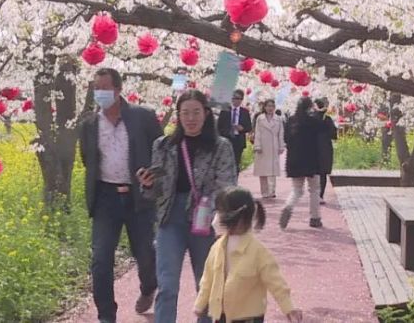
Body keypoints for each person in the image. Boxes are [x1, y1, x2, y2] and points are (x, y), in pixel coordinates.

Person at [137, 90, 238, 323]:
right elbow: (156, 191)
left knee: (206, 285)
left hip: (206, 219)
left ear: (206, 114)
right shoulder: (163, 145)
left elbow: (227, 185)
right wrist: (148, 184)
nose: (190, 118)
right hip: (170, 219)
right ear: (178, 116)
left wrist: (209, 207)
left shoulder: (220, 146)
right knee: (167, 284)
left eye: (196, 112)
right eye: (185, 113)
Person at [79, 68, 161, 323]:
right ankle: (106, 316)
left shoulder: (142, 117)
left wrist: (151, 177)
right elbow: (88, 160)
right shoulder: (89, 125)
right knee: (101, 258)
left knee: (145, 254)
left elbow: (161, 152)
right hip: (106, 197)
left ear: (118, 89)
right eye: (96, 88)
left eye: (105, 87)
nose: (100, 93)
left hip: (139, 197)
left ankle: (149, 287)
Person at [195, 186, 303, 323]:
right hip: (220, 314)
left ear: (237, 218)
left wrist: (289, 308)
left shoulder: (258, 251)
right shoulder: (217, 247)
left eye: (220, 213)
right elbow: (208, 278)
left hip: (249, 317)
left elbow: (276, 282)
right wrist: (200, 303)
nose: (216, 219)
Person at [279, 97, 323, 229]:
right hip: (311, 160)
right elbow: (322, 132)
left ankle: (288, 206)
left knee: (297, 190)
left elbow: (286, 138)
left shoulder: (291, 121)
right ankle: (315, 218)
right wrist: (318, 112)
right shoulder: (314, 121)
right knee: (314, 190)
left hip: (294, 160)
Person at [251, 99, 285, 199]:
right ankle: (264, 191)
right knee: (263, 170)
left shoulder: (278, 119)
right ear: (264, 107)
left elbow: (281, 133)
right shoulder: (260, 119)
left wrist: (281, 145)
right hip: (262, 146)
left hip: (273, 146)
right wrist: (257, 146)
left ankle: (272, 190)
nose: (270, 108)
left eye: (272, 106)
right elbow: (257, 133)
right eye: (268, 106)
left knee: (272, 170)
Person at [218, 89, 252, 172]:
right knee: (226, 162)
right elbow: (219, 126)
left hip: (238, 140)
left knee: (236, 163)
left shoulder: (245, 112)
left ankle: (234, 181)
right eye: (234, 98)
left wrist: (242, 129)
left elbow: (249, 127)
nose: (236, 100)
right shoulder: (225, 111)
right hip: (227, 139)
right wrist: (227, 131)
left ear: (241, 100)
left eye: (238, 98)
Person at [313, 97, 337, 204]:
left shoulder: (310, 118)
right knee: (322, 173)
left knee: (313, 173)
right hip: (325, 148)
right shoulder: (327, 119)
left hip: (312, 147)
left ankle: (314, 194)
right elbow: (334, 135)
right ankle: (320, 195)